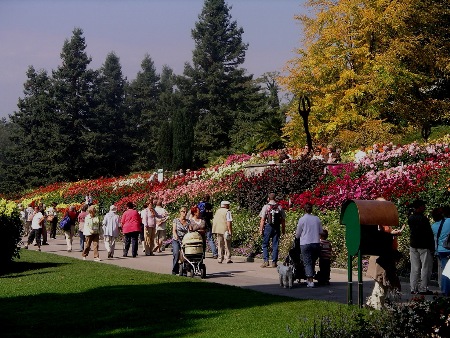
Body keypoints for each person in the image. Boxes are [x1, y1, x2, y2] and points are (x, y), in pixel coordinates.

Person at [408, 199, 435, 295]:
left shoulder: (411, 218)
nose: (425, 207)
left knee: (414, 267)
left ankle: (413, 288)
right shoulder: (423, 219)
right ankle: (423, 288)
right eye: (423, 206)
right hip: (424, 245)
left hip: (413, 244)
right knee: (425, 267)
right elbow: (428, 234)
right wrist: (432, 246)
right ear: (420, 207)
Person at [295, 203, 323, 288]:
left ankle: (310, 281)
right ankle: (311, 276)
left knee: (307, 262)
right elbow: (321, 231)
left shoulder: (302, 219)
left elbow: (298, 234)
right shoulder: (317, 219)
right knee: (313, 261)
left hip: (305, 243)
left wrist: (297, 237)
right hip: (315, 242)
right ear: (312, 209)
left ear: (304, 209)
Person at [259, 193, 286, 268]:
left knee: (265, 244)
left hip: (268, 226)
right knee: (275, 244)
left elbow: (263, 219)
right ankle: (274, 262)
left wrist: (261, 229)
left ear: (268, 198)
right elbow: (283, 219)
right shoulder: (279, 207)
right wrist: (283, 229)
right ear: (275, 198)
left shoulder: (266, 207)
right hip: (276, 227)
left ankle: (266, 261)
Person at [431, 206, 450, 296]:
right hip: (449, 249)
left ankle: (444, 290)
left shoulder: (433, 226)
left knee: (445, 270)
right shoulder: (449, 221)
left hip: (441, 250)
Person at [171, 206, 191, 275]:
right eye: (183, 211)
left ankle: (185, 269)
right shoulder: (176, 220)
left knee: (186, 254)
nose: (184, 213)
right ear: (180, 212)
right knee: (176, 253)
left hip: (185, 240)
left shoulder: (188, 221)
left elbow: (190, 230)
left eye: (185, 212)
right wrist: (176, 236)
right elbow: (174, 230)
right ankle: (174, 269)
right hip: (176, 239)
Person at [198, 194, 218, 259]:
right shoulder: (210, 205)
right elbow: (211, 216)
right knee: (210, 239)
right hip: (208, 223)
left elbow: (198, 214)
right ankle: (215, 253)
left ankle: (202, 254)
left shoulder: (200, 205)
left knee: (202, 239)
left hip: (201, 224)